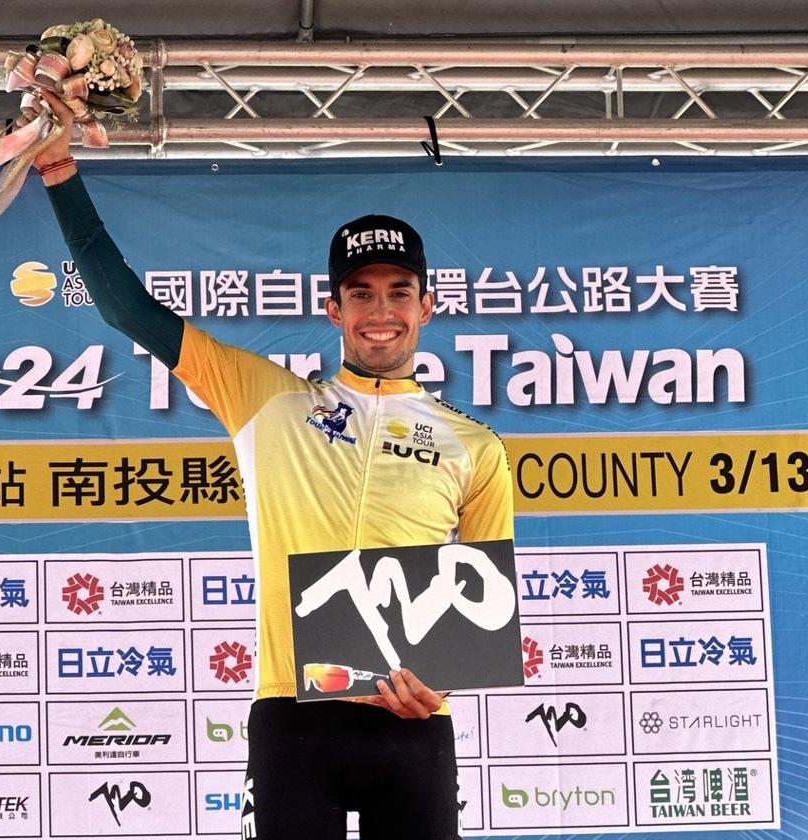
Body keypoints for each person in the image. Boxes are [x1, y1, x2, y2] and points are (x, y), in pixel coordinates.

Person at [35, 93, 514, 840]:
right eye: (361, 294)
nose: (379, 312)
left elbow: (485, 594)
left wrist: (443, 677)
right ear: (333, 309)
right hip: (293, 717)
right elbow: (129, 310)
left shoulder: (474, 445)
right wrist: (60, 172)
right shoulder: (266, 398)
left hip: (414, 720)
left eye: (398, 294)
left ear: (427, 307)